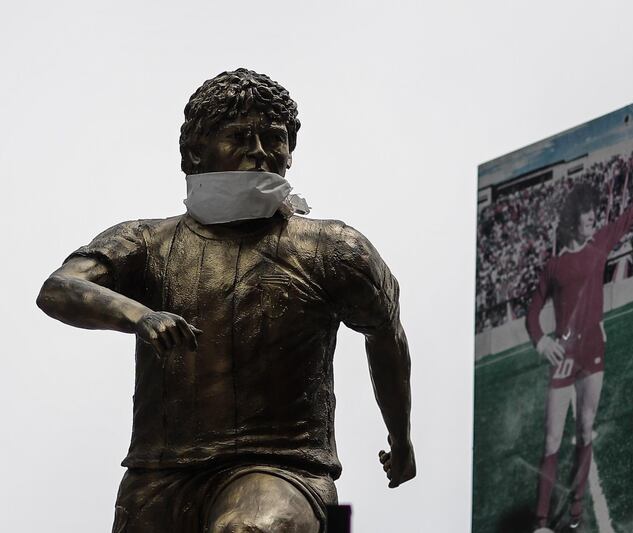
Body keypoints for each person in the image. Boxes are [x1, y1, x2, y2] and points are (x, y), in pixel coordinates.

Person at [36, 68, 415, 533]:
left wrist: (401, 438)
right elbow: (58, 289)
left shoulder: (333, 249)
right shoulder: (147, 242)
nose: (259, 152)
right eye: (240, 137)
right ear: (195, 152)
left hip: (283, 470)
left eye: (274, 139)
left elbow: (386, 333)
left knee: (246, 530)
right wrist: (139, 315)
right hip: (158, 475)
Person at [526, 168, 633, 532]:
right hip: (564, 355)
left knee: (586, 429)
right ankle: (541, 522)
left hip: (594, 351)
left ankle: (575, 512)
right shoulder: (554, 266)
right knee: (552, 437)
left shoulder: (600, 244)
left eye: (594, 212)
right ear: (574, 218)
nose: (593, 217)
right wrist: (542, 340)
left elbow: (630, 215)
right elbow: (532, 308)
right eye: (586, 212)